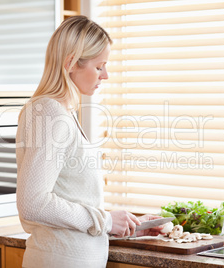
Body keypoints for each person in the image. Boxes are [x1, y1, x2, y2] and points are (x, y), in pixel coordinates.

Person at [16, 16, 164, 268]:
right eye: (99, 66)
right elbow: (33, 203)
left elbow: (71, 200)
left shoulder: (57, 112)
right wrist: (105, 220)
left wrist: (125, 225)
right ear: (71, 62)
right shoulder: (51, 114)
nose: (105, 75)